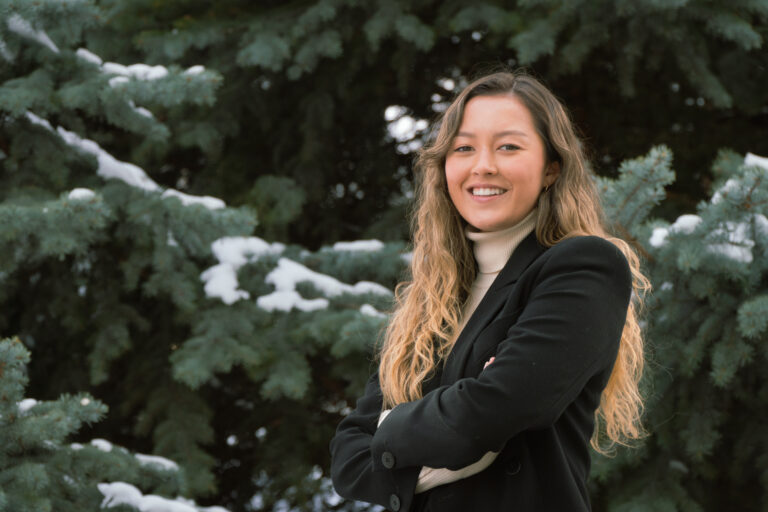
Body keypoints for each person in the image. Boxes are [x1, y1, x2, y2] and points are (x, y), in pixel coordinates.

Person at [329, 70, 649, 511]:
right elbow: (348, 457)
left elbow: (501, 406)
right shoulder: (435, 296)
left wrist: (392, 431)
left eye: (508, 147)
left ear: (551, 167)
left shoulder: (581, 266)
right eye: (464, 148)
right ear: (444, 168)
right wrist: (458, 425)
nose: (483, 166)